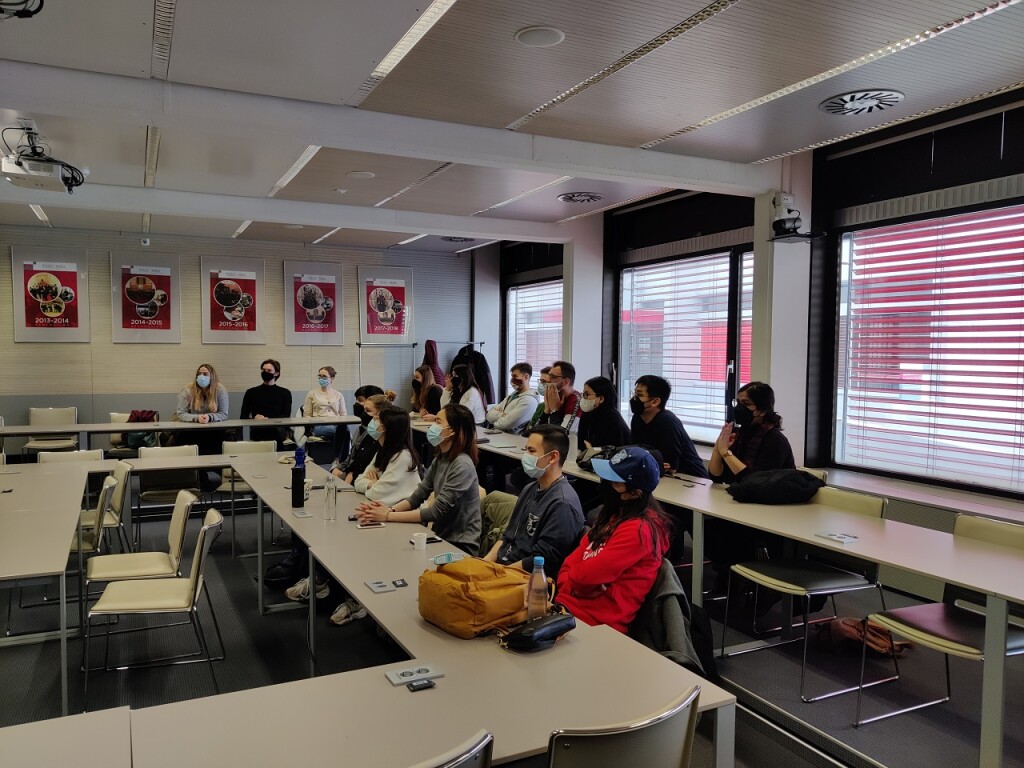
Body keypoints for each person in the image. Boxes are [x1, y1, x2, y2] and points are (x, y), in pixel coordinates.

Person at [556, 447, 671, 634]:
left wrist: (575, 580)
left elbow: (588, 575)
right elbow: (570, 564)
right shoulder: (613, 516)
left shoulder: (640, 531)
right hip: (567, 609)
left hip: (596, 626)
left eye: (615, 482)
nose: (606, 484)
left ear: (635, 493)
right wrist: (572, 582)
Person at [357, 403, 482, 555]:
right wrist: (389, 510)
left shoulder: (462, 465)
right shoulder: (440, 459)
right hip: (440, 537)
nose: (432, 426)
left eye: (438, 422)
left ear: (452, 431)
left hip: (460, 545)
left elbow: (436, 512)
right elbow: (417, 496)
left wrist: (388, 516)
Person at [707, 381, 796, 573]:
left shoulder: (775, 441)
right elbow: (716, 476)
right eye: (738, 403)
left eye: (746, 404)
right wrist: (718, 448)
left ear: (762, 410)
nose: (739, 408)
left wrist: (726, 452)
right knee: (706, 524)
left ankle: (734, 577)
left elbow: (754, 481)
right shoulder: (741, 434)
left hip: (767, 513)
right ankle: (727, 573)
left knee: (719, 530)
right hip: (741, 505)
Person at [482, 424, 584, 577]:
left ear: (553, 457)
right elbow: (507, 536)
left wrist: (499, 575)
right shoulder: (530, 488)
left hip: (524, 578)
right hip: (503, 568)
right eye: (526, 450)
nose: (525, 456)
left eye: (531, 451)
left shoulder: (562, 504)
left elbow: (541, 561)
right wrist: (484, 564)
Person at [629, 375, 707, 479]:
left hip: (691, 478)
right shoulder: (637, 418)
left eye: (639, 395)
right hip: (657, 474)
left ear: (655, 402)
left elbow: (670, 467)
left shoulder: (667, 422)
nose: (634, 398)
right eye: (634, 393)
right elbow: (635, 452)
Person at [353, 407, 422, 502]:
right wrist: (372, 484)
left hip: (402, 509)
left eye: (377, 419)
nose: (373, 420)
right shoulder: (383, 450)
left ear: (386, 427)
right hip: (385, 506)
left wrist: (373, 485)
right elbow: (358, 482)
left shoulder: (403, 457)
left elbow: (376, 495)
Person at [174, 362, 229, 455]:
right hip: (191, 430)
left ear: (212, 377)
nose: (201, 376)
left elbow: (224, 413)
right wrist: (197, 418)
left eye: (205, 374)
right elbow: (181, 413)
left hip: (213, 431)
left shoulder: (220, 390)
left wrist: (209, 417)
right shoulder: (187, 390)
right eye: (199, 374)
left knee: (218, 441)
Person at [239, 358, 292, 446]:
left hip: (277, 433)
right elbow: (243, 417)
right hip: (257, 432)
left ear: (276, 373)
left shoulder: (285, 393)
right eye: (263, 370)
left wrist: (268, 419)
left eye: (269, 370)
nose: (265, 372)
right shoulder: (251, 392)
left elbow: (286, 416)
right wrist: (254, 420)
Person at [577, 376, 631, 452]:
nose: (583, 398)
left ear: (601, 399)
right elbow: (581, 443)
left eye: (586, 394)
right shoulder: (587, 414)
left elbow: (613, 451)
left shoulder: (611, 419)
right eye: (583, 394)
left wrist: (592, 450)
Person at [485, 362, 538, 433]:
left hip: (512, 438)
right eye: (512, 377)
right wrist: (503, 415)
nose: (512, 380)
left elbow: (506, 424)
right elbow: (489, 414)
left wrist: (496, 420)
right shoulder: (513, 395)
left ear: (526, 377)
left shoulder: (529, 401)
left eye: (515, 376)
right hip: (500, 435)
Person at [303, 366, 347, 441]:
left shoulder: (338, 395)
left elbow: (343, 415)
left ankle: (341, 448)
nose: (321, 379)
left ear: (332, 378)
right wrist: (311, 426)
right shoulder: (312, 394)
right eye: (319, 376)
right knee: (342, 433)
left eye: (324, 376)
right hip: (319, 425)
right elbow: (307, 415)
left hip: (336, 424)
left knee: (345, 431)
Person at [538, 360, 581, 433]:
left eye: (553, 377)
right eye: (549, 376)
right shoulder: (553, 397)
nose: (548, 380)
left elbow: (563, 434)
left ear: (566, 382)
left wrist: (554, 411)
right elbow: (534, 432)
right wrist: (546, 411)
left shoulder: (575, 400)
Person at [520, 366, 552, 434]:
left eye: (544, 381)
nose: (541, 384)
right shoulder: (541, 406)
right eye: (540, 381)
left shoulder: (559, 409)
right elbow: (529, 430)